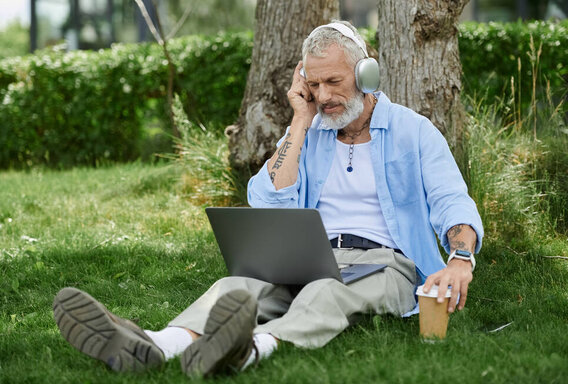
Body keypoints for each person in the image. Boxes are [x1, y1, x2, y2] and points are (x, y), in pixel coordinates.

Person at [53, 20, 483, 378]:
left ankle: (249, 350)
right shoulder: (310, 129)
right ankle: (154, 346)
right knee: (236, 285)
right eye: (314, 85)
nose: (325, 96)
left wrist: (460, 259)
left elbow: (452, 202)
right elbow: (267, 200)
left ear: (366, 75)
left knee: (326, 295)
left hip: (386, 263)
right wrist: (300, 119)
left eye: (334, 81)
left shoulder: (415, 131)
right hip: (309, 256)